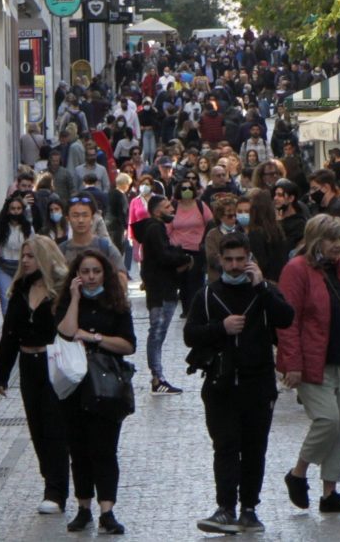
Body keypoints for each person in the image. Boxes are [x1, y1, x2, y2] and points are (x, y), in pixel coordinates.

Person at [186, 231, 295, 535]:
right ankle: (225, 508)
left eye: (240, 259)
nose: (234, 266)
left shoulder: (264, 291)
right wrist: (220, 328)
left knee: (254, 449)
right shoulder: (207, 294)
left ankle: (249, 508)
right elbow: (190, 335)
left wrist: (262, 287)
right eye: (229, 260)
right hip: (220, 384)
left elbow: (286, 318)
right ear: (220, 260)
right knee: (225, 446)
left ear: (249, 259)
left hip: (258, 384)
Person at [278, 215, 340, 515]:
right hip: (314, 360)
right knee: (327, 420)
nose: (338, 245)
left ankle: (330, 492)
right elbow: (287, 321)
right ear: (316, 240)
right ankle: (298, 473)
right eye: (331, 239)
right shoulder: (296, 269)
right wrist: (292, 363)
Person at [56, 250, 137, 535]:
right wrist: (74, 298)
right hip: (75, 385)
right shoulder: (67, 302)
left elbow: (128, 345)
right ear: (77, 275)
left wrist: (94, 338)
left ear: (105, 274)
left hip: (106, 386)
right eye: (85, 272)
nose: (91, 277)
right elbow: (66, 332)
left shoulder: (116, 304)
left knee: (105, 450)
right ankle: (83, 508)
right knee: (79, 450)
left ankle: (107, 511)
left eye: (96, 271)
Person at [0, 236, 72, 513]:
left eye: (31, 256)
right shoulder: (20, 289)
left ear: (45, 258)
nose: (25, 261)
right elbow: (9, 334)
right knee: (37, 428)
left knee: (54, 428)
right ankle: (50, 478)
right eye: (23, 256)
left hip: (54, 362)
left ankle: (56, 491)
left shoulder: (62, 290)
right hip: (28, 364)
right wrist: (1, 375)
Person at [133, 195, 192, 395]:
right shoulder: (155, 229)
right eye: (167, 207)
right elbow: (163, 257)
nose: (172, 210)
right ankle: (157, 377)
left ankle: (157, 376)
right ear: (157, 211)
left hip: (161, 289)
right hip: (161, 291)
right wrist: (183, 258)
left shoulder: (154, 229)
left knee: (158, 332)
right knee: (157, 332)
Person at [168, 175, 213, 316]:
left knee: (196, 282)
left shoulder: (200, 206)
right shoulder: (174, 206)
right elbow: (168, 227)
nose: (187, 190)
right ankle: (186, 309)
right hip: (179, 251)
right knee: (183, 282)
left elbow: (210, 223)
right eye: (183, 188)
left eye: (189, 188)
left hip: (197, 249)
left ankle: (195, 310)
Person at [309, 169, 340, 276]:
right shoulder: (324, 208)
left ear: (326, 187)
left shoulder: (337, 209)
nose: (311, 193)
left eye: (314, 188)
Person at [0, 197, 32, 316]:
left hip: (22, 266)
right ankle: (7, 323)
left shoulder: (28, 227)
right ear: (8, 210)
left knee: (24, 297)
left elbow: (34, 243)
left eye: (18, 208)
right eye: (13, 208)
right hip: (3, 266)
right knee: (5, 297)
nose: (16, 211)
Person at [245, 188, 289, 282]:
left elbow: (260, 262)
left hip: (265, 280)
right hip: (280, 277)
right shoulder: (278, 230)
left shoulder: (255, 233)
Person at [273, 179, 308, 249]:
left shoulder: (299, 224)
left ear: (291, 198)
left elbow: (286, 247)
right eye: (275, 195)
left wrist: (279, 224)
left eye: (280, 195)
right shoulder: (275, 217)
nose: (275, 198)